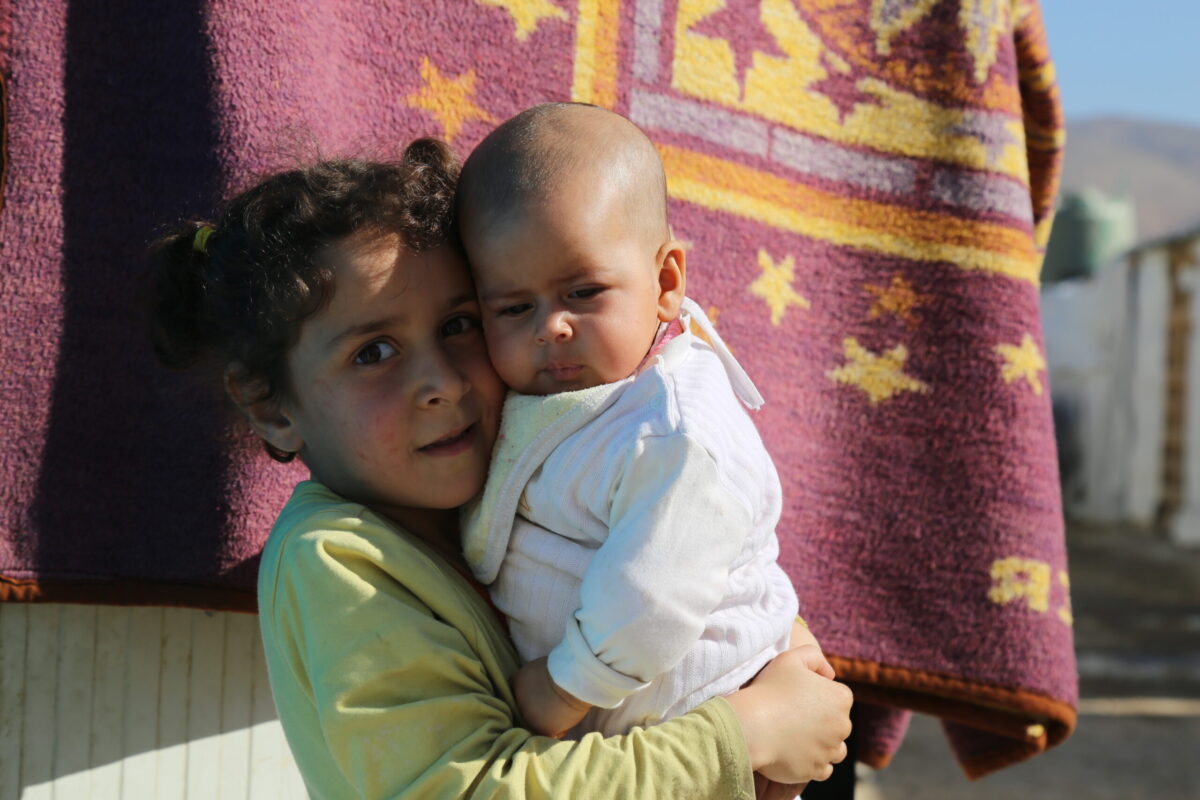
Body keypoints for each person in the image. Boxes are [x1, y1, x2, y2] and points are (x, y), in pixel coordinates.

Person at [147, 138, 852, 798]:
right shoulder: (335, 565)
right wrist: (748, 731)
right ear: (271, 405)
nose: (444, 382)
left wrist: (785, 653)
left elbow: (690, 556)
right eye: (373, 353)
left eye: (459, 325)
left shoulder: (511, 476)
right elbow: (483, 786)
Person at [455, 102, 828, 750]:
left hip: (707, 740)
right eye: (514, 307)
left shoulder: (673, 428)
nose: (551, 327)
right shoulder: (553, 396)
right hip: (618, 749)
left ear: (665, 281)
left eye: (584, 292)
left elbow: (654, 591)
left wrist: (564, 686)